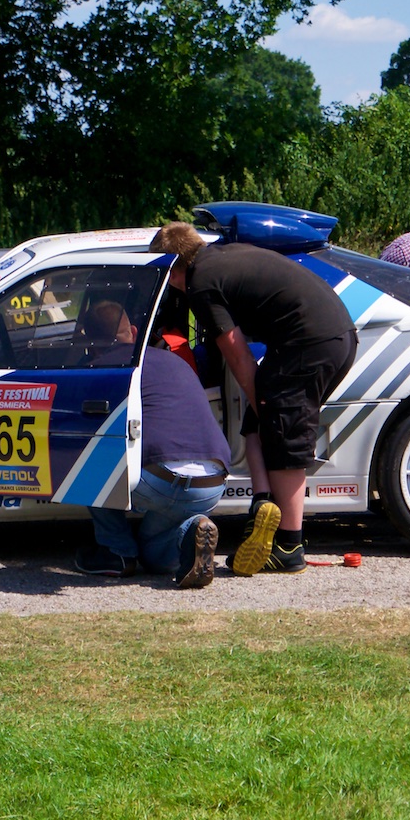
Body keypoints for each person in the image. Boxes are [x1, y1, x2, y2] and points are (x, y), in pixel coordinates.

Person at [148, 221, 356, 576]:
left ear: (172, 265)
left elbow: (238, 355)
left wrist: (261, 401)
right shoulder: (220, 257)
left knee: (283, 430)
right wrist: (260, 405)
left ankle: (290, 545)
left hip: (310, 343)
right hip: (327, 336)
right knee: (259, 422)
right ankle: (262, 507)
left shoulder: (201, 284)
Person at [74, 300, 230, 589]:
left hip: (158, 480)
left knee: (87, 453)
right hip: (212, 482)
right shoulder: (175, 361)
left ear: (89, 342)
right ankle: (192, 530)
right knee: (155, 553)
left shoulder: (102, 370)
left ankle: (116, 551)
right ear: (134, 331)